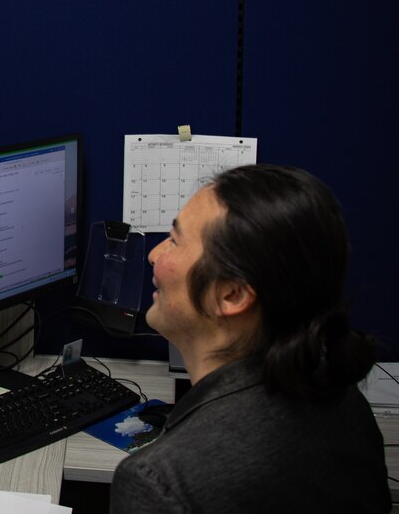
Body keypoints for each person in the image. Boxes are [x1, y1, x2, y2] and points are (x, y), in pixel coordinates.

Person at [110, 164, 389, 513]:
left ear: (231, 295)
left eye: (175, 241)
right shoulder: (343, 399)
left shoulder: (161, 481)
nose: (154, 254)